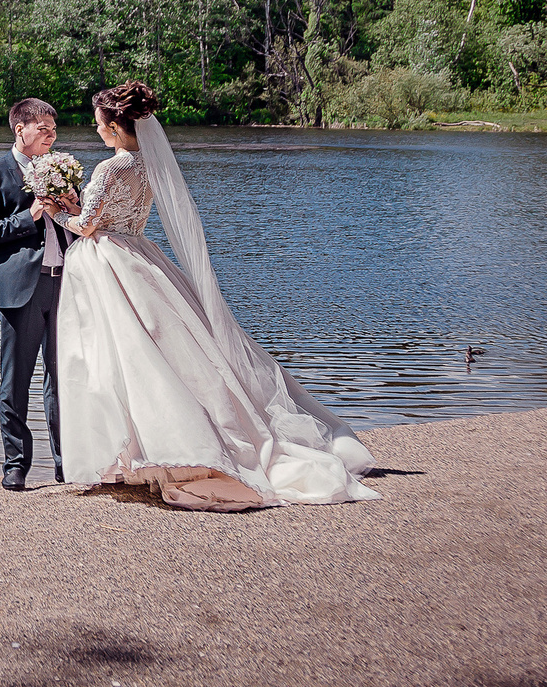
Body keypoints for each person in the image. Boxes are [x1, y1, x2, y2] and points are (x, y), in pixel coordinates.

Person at [56, 80, 381, 510]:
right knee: (156, 357)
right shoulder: (148, 163)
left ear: (115, 126)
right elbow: (120, 215)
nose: (96, 130)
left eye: (99, 124)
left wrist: (55, 207)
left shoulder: (111, 168)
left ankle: (148, 454)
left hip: (109, 261)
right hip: (140, 254)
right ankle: (145, 454)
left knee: (122, 360)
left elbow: (88, 225)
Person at [0, 98, 73, 490]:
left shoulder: (65, 168)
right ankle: (16, 465)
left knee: (63, 378)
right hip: (22, 289)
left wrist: (72, 207)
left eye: (53, 128)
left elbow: (77, 224)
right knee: (16, 380)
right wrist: (28, 215)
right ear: (21, 129)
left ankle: (67, 462)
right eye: (44, 128)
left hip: (67, 282)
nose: (51, 134)